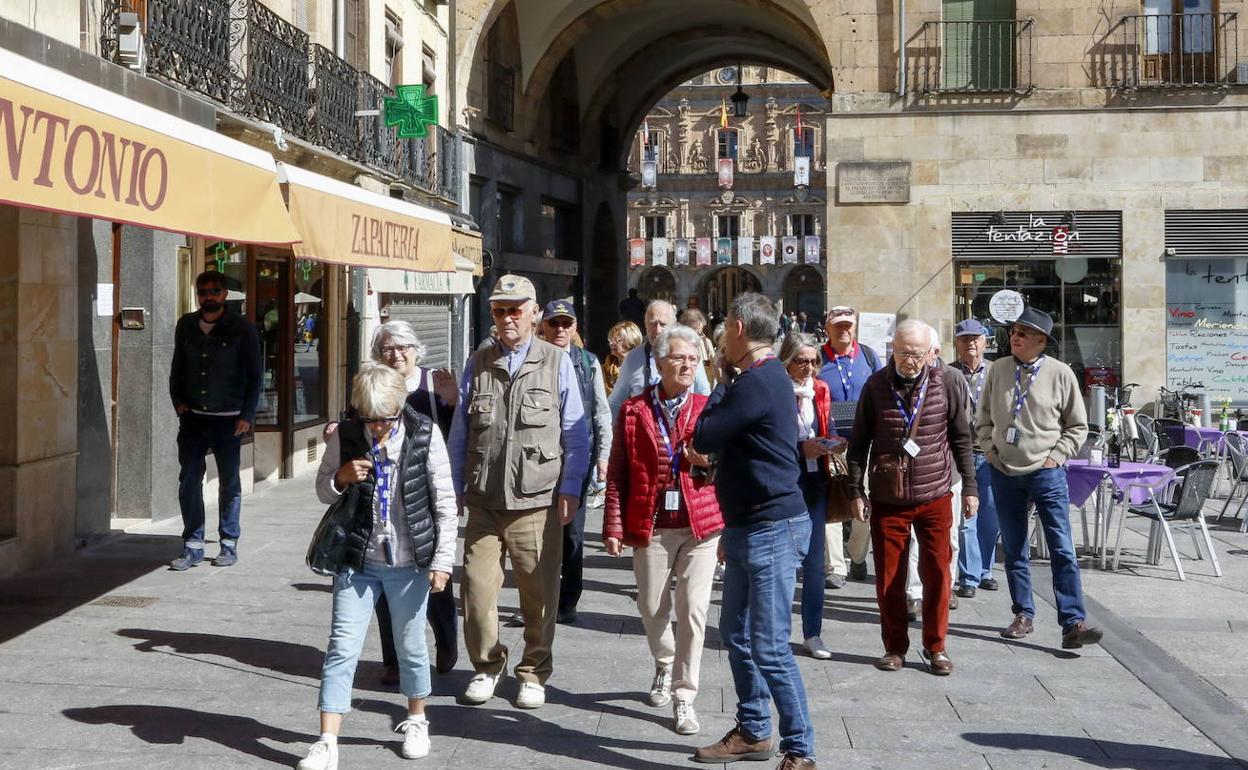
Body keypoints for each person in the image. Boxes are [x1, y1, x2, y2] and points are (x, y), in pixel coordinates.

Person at [299, 363, 458, 770]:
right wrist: (341, 476)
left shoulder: (424, 434)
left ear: (400, 407)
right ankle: (326, 740)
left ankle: (417, 718)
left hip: (409, 562)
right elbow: (321, 489)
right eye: (369, 418)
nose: (377, 428)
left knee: (410, 645)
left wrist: (442, 562)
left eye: (385, 418)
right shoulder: (349, 435)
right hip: (358, 560)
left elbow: (444, 502)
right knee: (341, 647)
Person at [446, 274, 590, 709]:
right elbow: (460, 432)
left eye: (514, 310)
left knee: (539, 595)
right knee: (475, 588)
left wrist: (571, 486)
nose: (506, 318)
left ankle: (533, 670)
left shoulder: (556, 360)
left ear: (534, 313)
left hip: (536, 499)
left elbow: (576, 432)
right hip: (485, 498)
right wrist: (453, 486)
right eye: (498, 310)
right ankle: (488, 665)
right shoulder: (479, 361)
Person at [692, 292, 816, 770]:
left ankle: (800, 750)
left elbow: (703, 435)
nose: (721, 336)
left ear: (739, 330)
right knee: (736, 634)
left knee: (767, 644)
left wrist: (721, 380)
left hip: (771, 528)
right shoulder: (765, 379)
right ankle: (753, 730)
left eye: (725, 327)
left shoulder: (755, 383)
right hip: (748, 526)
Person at [603, 324, 723, 736]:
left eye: (693, 358)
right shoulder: (634, 410)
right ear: (658, 363)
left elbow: (728, 466)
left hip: (700, 524)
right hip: (651, 524)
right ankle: (664, 661)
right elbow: (618, 471)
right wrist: (614, 525)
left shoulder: (710, 407)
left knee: (692, 610)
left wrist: (706, 461)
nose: (688, 364)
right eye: (679, 358)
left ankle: (685, 695)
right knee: (652, 608)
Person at [846, 320, 978, 676]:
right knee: (889, 576)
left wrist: (970, 487)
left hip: (935, 492)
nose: (909, 359)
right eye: (902, 352)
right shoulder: (875, 385)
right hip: (889, 497)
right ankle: (894, 647)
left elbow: (962, 437)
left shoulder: (948, 381)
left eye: (916, 353)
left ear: (931, 353)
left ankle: (936, 647)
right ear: (892, 350)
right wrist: (856, 491)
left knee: (937, 572)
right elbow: (858, 444)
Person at [976, 308, 1103, 650]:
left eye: (1022, 332)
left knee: (1062, 547)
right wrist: (990, 450)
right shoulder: (998, 370)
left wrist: (1055, 457)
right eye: (1013, 331)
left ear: (1041, 341)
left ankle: (1073, 622)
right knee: (1015, 548)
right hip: (1004, 471)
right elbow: (983, 419)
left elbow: (1078, 426)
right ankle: (1023, 614)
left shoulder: (1061, 374)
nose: (1014, 337)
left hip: (1046, 472)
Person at [368, 321, 461, 679]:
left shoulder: (432, 383)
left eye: (403, 346)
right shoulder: (372, 383)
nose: (397, 354)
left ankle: (446, 639)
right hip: (384, 496)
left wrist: (452, 402)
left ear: (415, 349)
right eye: (389, 348)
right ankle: (393, 660)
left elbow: (457, 437)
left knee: (434, 580)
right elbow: (356, 423)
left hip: (425, 495)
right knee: (383, 580)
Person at [168, 271, 262, 571]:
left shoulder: (242, 329)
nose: (208, 296)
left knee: (229, 483)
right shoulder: (186, 325)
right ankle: (193, 544)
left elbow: (255, 376)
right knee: (189, 480)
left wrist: (247, 415)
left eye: (214, 291)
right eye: (203, 291)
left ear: (224, 294)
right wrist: (179, 404)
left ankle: (228, 543)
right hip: (193, 418)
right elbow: (177, 368)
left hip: (229, 420)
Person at [539, 299, 612, 625]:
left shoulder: (587, 362)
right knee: (538, 533)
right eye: (554, 323)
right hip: (538, 460)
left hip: (576, 459)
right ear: (543, 326)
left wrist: (605, 456)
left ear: (574, 328)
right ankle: (541, 600)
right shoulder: (534, 359)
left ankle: (568, 601)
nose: (560, 329)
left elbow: (601, 411)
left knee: (573, 534)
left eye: (566, 323)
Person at [780, 331, 843, 661]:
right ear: (787, 361)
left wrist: (832, 442)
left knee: (815, 561)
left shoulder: (821, 389)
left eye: (814, 361)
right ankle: (777, 630)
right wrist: (800, 447)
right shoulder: (776, 391)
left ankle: (813, 632)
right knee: (783, 560)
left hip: (816, 478)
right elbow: (769, 441)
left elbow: (826, 423)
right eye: (801, 361)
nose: (809, 367)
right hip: (783, 481)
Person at [818, 305, 883, 588]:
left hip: (865, 443)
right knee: (830, 504)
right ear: (828, 328)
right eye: (838, 326)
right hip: (830, 443)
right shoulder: (817, 358)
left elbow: (883, 393)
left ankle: (857, 555)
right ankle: (835, 566)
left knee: (865, 500)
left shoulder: (868, 356)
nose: (844, 330)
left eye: (848, 325)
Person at [951, 319, 1001, 598]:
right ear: (957, 343)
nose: (970, 343)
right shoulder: (947, 372)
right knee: (965, 516)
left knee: (990, 514)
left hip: (991, 453)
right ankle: (969, 576)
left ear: (985, 341)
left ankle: (986, 570)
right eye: (964, 339)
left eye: (975, 338)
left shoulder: (997, 372)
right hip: (961, 453)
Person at [609, 300, 711, 419]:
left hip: (684, 431)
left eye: (663, 324)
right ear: (645, 325)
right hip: (644, 431)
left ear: (674, 325)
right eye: (653, 324)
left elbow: (704, 396)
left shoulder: (689, 354)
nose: (657, 330)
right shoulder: (633, 358)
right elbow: (615, 402)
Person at [679, 308, 718, 388]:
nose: (699, 338)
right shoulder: (676, 347)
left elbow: (713, 368)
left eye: (700, 333)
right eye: (696, 333)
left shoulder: (706, 343)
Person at [603, 321, 643, 395]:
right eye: (610, 340)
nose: (611, 343)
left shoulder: (642, 367)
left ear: (630, 340)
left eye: (617, 340)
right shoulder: (605, 369)